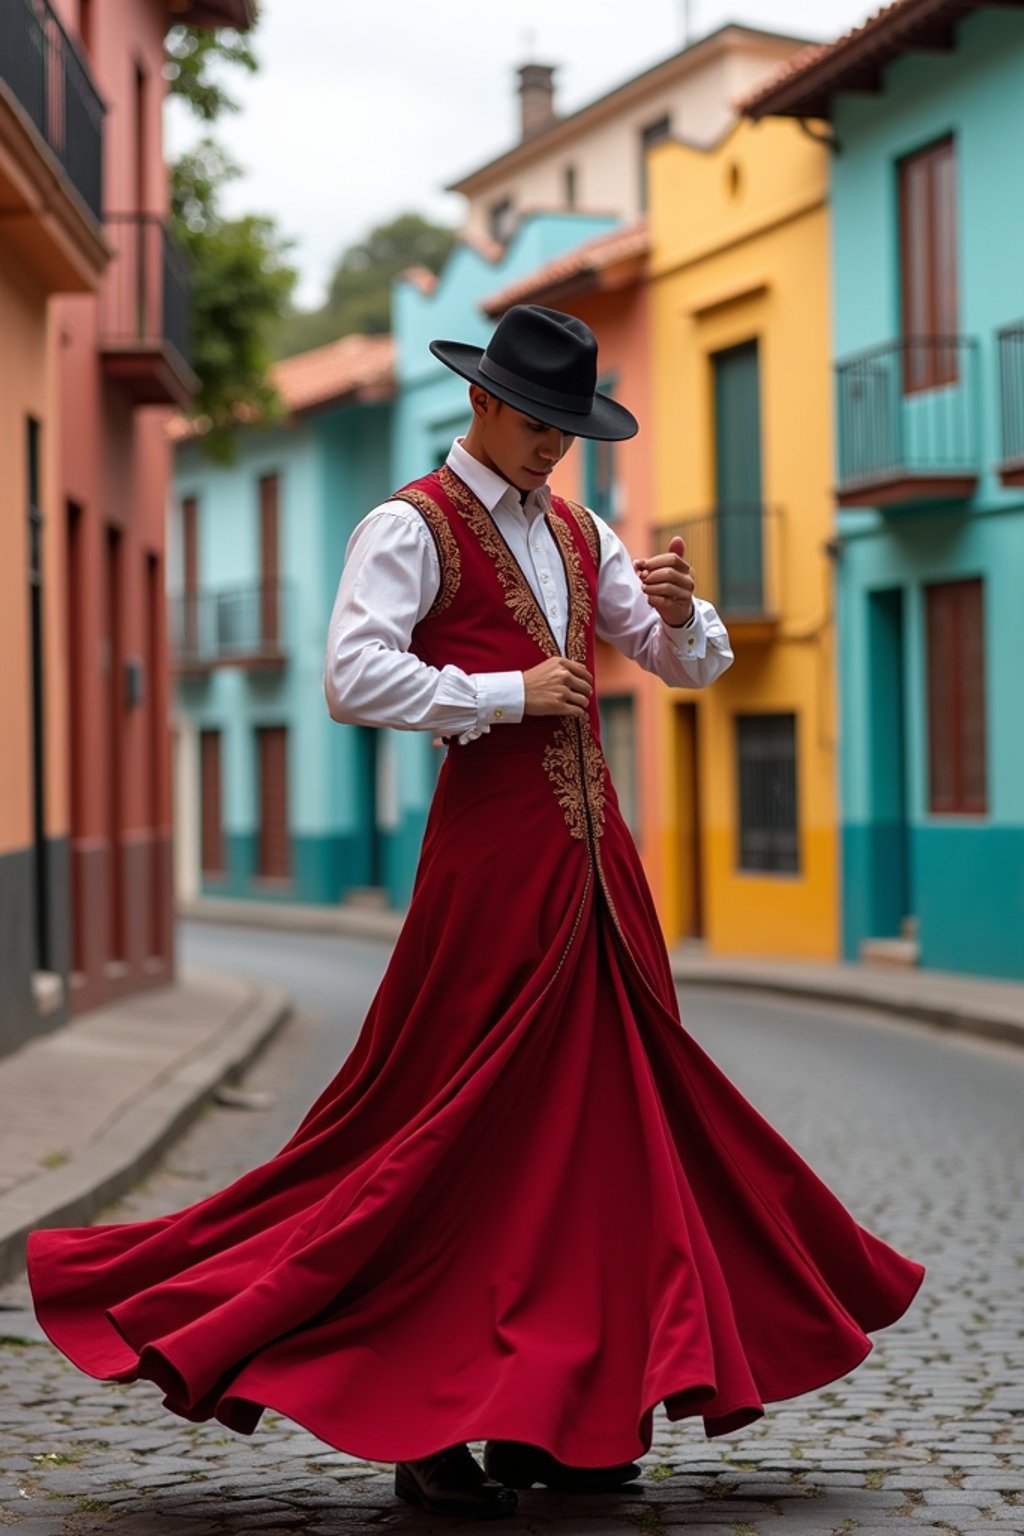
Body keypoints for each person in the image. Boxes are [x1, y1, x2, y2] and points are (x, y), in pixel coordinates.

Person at [27, 305, 924, 1524]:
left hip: (601, 872)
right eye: (540, 422)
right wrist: (505, 691)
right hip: (491, 868)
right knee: (455, 1136)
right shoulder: (407, 523)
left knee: (605, 1139)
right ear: (483, 403)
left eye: (571, 428)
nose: (556, 446)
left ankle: (567, 1419)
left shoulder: (579, 529)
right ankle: (432, 1425)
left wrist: (672, 609)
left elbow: (688, 668)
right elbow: (350, 674)